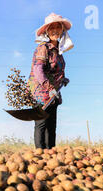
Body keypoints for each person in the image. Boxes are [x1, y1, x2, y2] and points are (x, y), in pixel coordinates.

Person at [28, 13, 73, 149]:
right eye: (51, 27)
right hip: (41, 92)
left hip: (54, 93)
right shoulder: (44, 48)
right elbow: (38, 71)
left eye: (57, 27)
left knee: (51, 125)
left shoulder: (59, 51)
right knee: (41, 124)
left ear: (62, 30)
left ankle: (51, 154)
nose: (55, 30)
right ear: (47, 31)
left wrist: (63, 79)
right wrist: (49, 87)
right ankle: (39, 155)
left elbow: (56, 71)